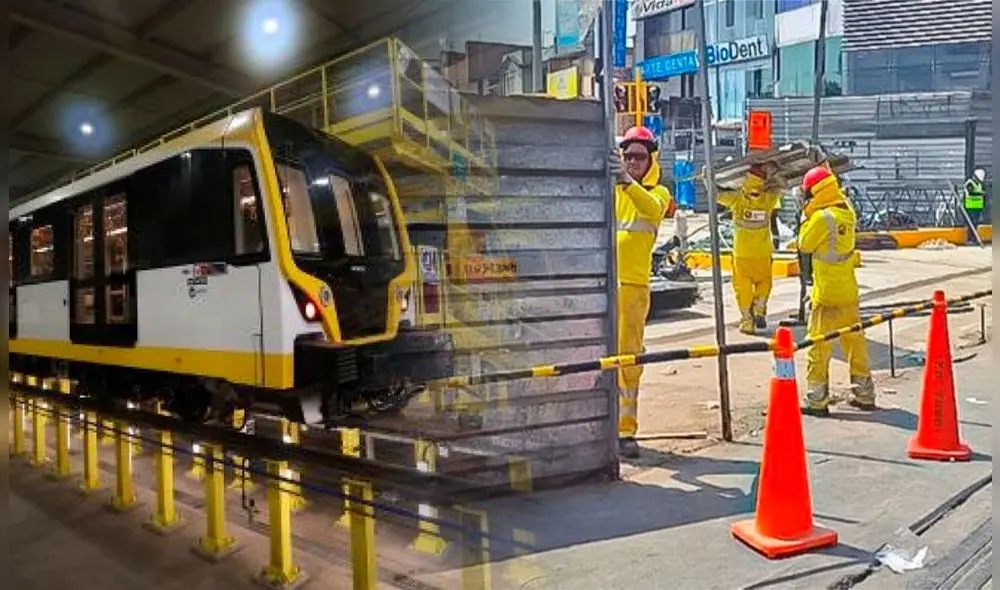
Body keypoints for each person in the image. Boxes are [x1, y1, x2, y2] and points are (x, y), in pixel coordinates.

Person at [608, 126, 676, 458]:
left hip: (632, 289)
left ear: (651, 160)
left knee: (627, 360)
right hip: (603, 285)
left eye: (639, 157)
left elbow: (651, 209)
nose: (632, 161)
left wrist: (625, 180)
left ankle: (625, 430)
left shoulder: (657, 193)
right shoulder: (612, 190)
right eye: (627, 156)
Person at [798, 165, 875, 416]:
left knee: (819, 345)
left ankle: (816, 398)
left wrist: (805, 215)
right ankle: (864, 394)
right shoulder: (846, 210)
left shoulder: (821, 218)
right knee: (855, 342)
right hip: (848, 289)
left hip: (826, 293)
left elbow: (804, 244)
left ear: (814, 192)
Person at [716, 163, 783, 334]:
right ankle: (759, 308)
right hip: (763, 253)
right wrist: (773, 174)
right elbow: (781, 186)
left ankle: (747, 321)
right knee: (764, 282)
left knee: (742, 287)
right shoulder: (768, 199)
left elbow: (715, 196)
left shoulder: (737, 199)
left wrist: (706, 179)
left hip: (742, 254)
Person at [963, 168, 986, 243]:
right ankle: (970, 238)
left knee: (975, 224)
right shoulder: (969, 183)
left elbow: (983, 196)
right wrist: (981, 194)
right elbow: (970, 193)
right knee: (970, 223)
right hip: (969, 207)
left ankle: (974, 238)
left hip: (977, 208)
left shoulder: (979, 184)